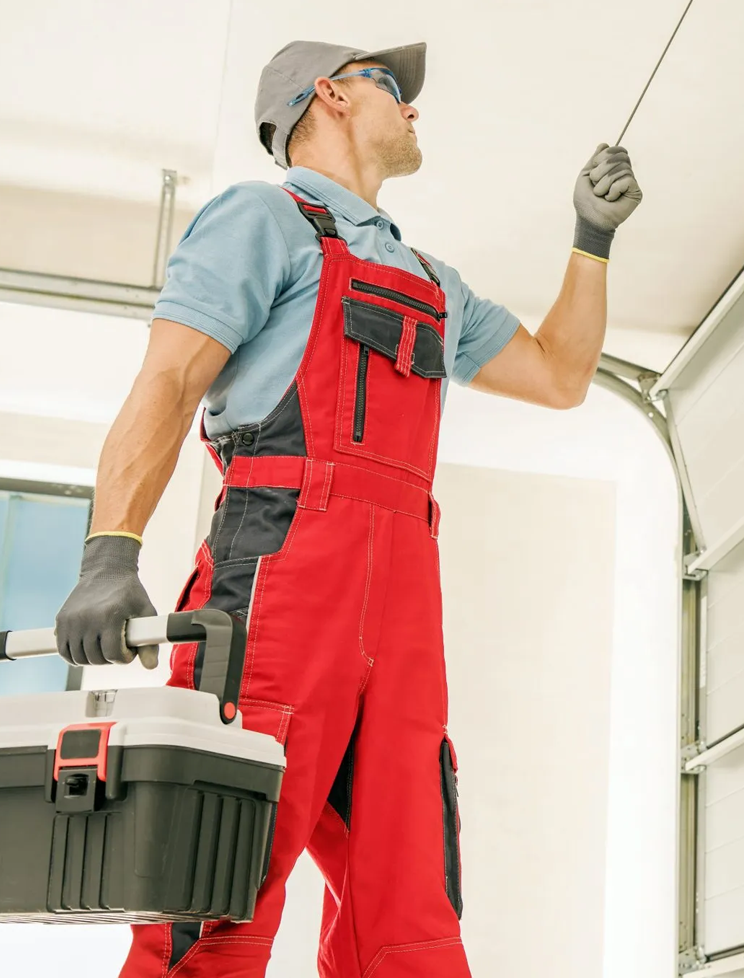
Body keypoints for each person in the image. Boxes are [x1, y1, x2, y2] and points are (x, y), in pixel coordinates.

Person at [53, 38, 641, 978]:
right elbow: (167, 381)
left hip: (405, 601)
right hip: (282, 571)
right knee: (214, 890)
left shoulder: (427, 279)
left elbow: (560, 375)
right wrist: (109, 552)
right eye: (391, 87)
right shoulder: (260, 217)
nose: (411, 107)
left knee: (409, 918)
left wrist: (591, 240)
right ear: (328, 94)